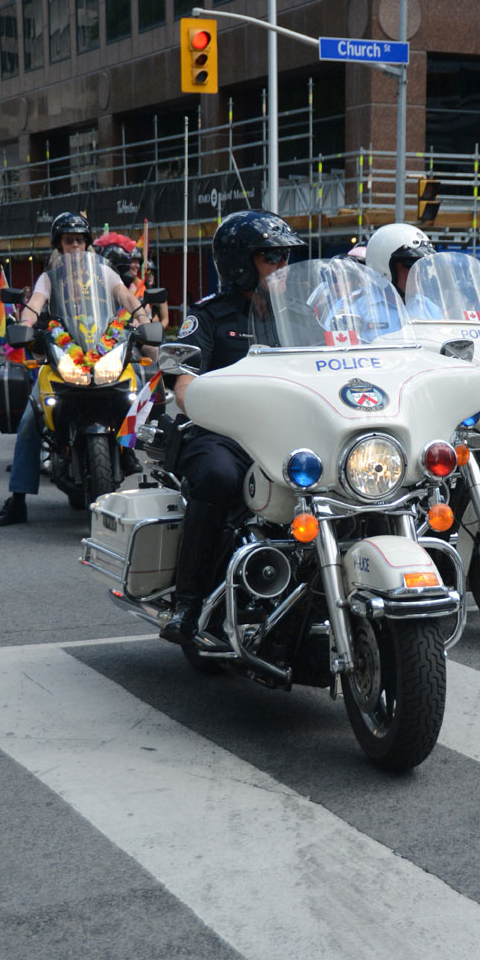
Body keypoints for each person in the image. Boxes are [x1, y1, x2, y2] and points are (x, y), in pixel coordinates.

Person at [160, 209, 305, 644]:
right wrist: (203, 400)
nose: (282, 265)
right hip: (224, 436)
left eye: (285, 256)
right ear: (241, 263)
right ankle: (189, 602)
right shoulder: (208, 317)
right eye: (272, 256)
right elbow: (184, 387)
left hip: (290, 434)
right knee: (218, 479)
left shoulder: (301, 316)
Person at [0, 212, 152, 526]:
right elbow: (37, 302)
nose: (75, 245)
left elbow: (125, 296)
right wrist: (25, 325)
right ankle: (18, 499)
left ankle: (128, 448)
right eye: (69, 240)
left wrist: (143, 319)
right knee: (30, 421)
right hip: (63, 356)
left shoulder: (104, 273)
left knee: (136, 393)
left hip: (103, 352)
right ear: (60, 245)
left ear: (87, 243)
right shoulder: (50, 277)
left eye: (79, 239)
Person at [364, 223, 435, 300]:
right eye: (411, 266)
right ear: (382, 268)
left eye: (423, 266)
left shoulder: (428, 307)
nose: (420, 276)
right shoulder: (358, 310)